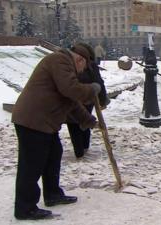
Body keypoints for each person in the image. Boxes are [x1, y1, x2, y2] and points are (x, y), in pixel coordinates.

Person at [12, 44, 101, 220]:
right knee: (31, 165)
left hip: (44, 123)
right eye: (84, 67)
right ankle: (25, 208)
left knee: (53, 155)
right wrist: (91, 89)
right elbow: (71, 90)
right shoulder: (59, 60)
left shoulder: (64, 65)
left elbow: (71, 100)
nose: (82, 72)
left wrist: (88, 120)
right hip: (33, 120)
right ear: (80, 59)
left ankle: (52, 194)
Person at [66, 43, 109, 158]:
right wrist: (102, 100)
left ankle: (79, 150)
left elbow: (98, 82)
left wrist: (102, 100)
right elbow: (99, 82)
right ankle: (84, 146)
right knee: (84, 121)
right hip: (86, 98)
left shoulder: (73, 64)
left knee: (74, 124)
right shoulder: (91, 64)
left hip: (77, 98)